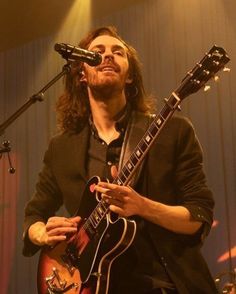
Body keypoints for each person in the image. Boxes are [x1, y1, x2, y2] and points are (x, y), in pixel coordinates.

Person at [23, 26, 217, 294]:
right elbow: (34, 215)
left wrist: (143, 206)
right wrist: (43, 233)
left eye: (118, 52)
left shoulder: (174, 131)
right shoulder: (61, 148)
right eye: (97, 53)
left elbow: (199, 214)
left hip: (166, 284)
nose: (108, 56)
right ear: (81, 73)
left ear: (129, 77)